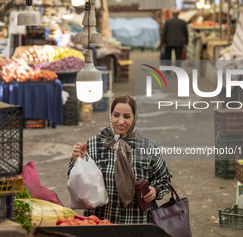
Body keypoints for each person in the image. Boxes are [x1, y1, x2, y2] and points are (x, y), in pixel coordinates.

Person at [68, 95, 172, 223]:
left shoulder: (147, 147)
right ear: (110, 115)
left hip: (136, 223)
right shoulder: (93, 145)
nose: (121, 121)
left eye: (127, 116)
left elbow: (164, 179)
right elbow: (75, 184)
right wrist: (78, 162)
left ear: (134, 118)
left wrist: (155, 189)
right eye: (116, 115)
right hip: (101, 222)